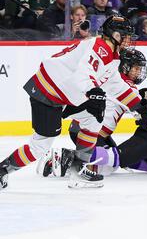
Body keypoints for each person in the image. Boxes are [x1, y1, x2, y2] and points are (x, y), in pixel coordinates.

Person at [0, 15, 138, 191]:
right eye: (124, 35)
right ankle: (2, 170)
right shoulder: (100, 47)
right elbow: (83, 74)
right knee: (40, 146)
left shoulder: (112, 55)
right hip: (47, 93)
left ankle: (78, 169)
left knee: (94, 117)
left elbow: (117, 86)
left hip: (65, 93)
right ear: (113, 35)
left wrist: (140, 107)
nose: (128, 40)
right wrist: (93, 91)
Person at [38, 48, 147, 180]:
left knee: (113, 156)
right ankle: (63, 158)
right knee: (107, 166)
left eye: (140, 69)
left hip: (81, 128)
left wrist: (140, 96)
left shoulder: (109, 77)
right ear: (125, 67)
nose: (139, 72)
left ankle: (74, 160)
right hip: (92, 132)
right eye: (135, 68)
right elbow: (142, 113)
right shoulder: (128, 88)